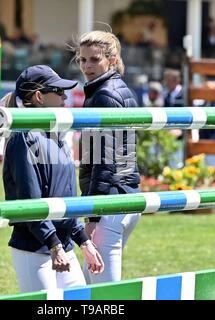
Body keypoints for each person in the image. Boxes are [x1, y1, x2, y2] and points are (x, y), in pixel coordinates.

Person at [1, 65, 104, 293]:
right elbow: (31, 201)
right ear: (39, 97)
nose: (65, 97)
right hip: (34, 248)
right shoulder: (22, 140)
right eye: (58, 92)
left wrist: (84, 242)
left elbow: (67, 196)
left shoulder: (56, 135)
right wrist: (54, 244)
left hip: (62, 243)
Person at [73, 30, 141, 284]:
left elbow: (104, 161)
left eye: (94, 60)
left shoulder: (103, 95)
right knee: (89, 284)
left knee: (105, 292)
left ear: (111, 60)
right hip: (127, 197)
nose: (87, 67)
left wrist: (93, 215)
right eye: (83, 60)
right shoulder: (121, 89)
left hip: (111, 203)